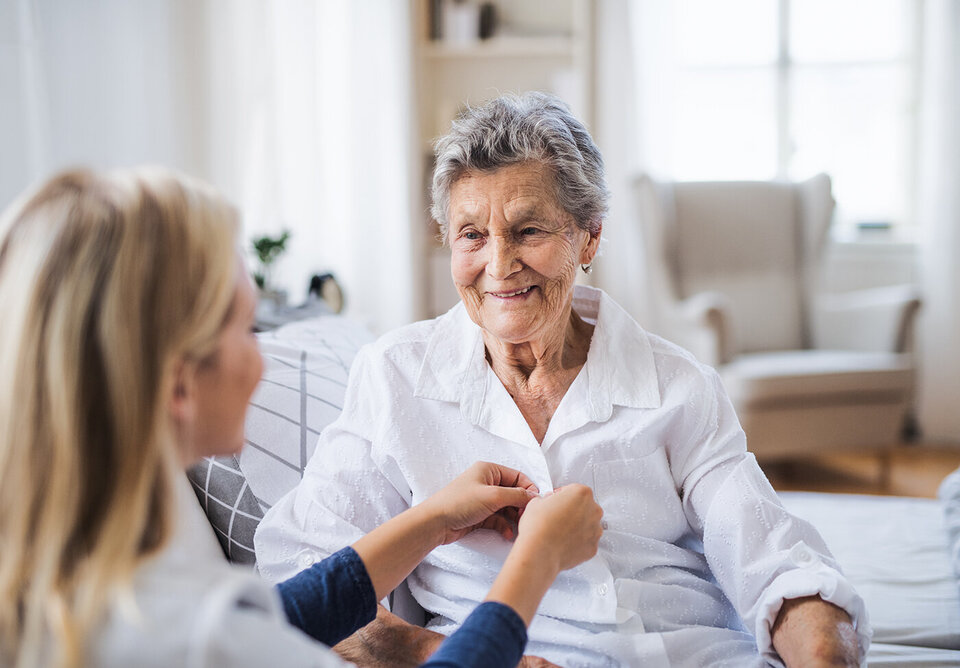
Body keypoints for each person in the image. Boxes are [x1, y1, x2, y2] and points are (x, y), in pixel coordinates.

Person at [255, 92, 870, 668]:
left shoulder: (679, 386)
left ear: (589, 235)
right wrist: (429, 652)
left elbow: (782, 571)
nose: (499, 265)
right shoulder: (395, 378)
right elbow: (301, 570)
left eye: (529, 230)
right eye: (472, 234)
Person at [0, 167, 605, 668]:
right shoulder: (195, 641)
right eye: (245, 327)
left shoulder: (77, 587)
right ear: (180, 383)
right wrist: (537, 562)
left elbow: (281, 614)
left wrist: (431, 519)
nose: (263, 360)